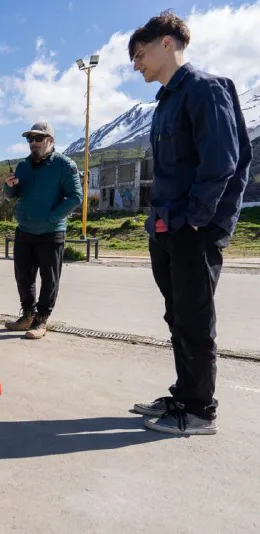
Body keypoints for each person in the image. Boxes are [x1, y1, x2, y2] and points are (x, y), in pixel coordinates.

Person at [127, 11, 252, 435]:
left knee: (196, 321)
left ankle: (200, 411)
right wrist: (160, 222)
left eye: (140, 54)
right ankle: (184, 394)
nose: (136, 64)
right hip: (165, 228)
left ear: (167, 43)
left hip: (192, 231)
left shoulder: (205, 89)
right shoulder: (164, 104)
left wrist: (198, 220)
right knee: (177, 317)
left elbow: (223, 162)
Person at [3, 121, 82, 340]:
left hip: (51, 232)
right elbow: (12, 195)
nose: (33, 143)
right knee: (23, 277)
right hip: (25, 230)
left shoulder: (65, 165)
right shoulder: (22, 166)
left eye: (38, 138)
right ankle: (27, 316)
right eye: (30, 139)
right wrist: (9, 186)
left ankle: (41, 320)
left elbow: (76, 197)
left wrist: (52, 217)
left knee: (50, 279)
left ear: (50, 140)